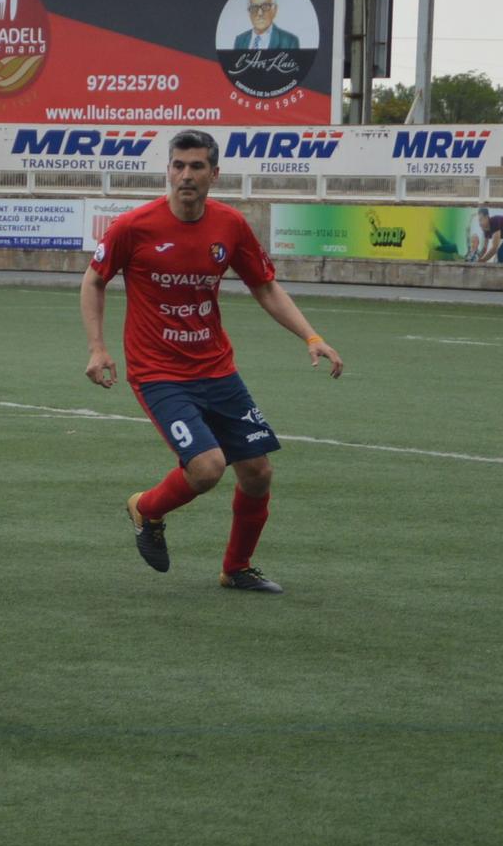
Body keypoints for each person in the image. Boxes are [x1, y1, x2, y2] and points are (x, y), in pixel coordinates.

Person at [80, 129, 345, 593]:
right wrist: (98, 347)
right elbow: (94, 280)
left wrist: (311, 335)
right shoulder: (134, 226)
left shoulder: (230, 225)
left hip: (217, 368)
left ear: (214, 174)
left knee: (258, 473)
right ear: (168, 170)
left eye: (196, 167)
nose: (186, 175)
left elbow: (264, 285)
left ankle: (236, 568)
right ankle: (146, 508)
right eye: (178, 166)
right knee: (206, 467)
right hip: (159, 374)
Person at [231, 0, 301, 50]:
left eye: (265, 6)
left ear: (274, 10)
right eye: (254, 7)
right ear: (249, 12)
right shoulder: (240, 40)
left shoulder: (289, 42)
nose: (259, 13)